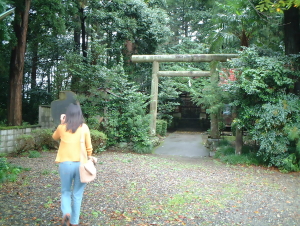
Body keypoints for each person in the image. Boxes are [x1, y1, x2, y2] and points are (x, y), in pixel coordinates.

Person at [52, 103, 93, 226]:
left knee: (65, 191)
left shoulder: (62, 127)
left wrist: (61, 122)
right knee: (77, 194)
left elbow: (54, 137)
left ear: (67, 115)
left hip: (65, 164)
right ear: (80, 114)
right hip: (81, 164)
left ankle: (66, 212)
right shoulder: (84, 127)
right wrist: (89, 156)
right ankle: (74, 222)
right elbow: (89, 147)